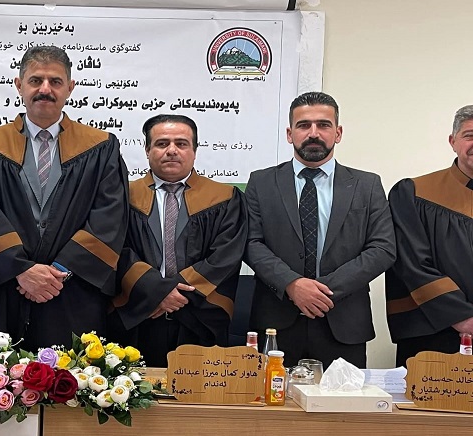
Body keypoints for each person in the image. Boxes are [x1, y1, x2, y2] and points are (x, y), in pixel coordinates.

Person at [0, 45, 128, 350]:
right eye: (36, 80)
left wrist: (59, 271)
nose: (45, 89)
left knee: (74, 374)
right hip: (5, 289)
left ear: (70, 88)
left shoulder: (102, 147)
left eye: (55, 81)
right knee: (0, 374)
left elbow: (110, 215)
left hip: (72, 290)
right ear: (19, 85)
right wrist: (20, 269)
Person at [244, 91, 395, 368]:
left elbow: (383, 248)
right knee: (272, 396)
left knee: (342, 398)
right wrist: (292, 284)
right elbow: (252, 244)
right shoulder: (261, 182)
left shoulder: (367, 185)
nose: (313, 133)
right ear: (290, 134)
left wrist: (322, 291)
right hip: (276, 323)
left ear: (338, 133)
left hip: (344, 321)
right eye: (304, 125)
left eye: (323, 125)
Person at [110, 115, 246, 367]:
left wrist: (174, 293)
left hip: (200, 316)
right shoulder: (122, 196)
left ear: (194, 151)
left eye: (181, 144)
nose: (172, 150)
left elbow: (225, 255)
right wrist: (156, 292)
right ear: (147, 150)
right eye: (162, 143)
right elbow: (115, 249)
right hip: (139, 313)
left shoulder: (225, 197)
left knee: (198, 388)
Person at [386, 105, 473, 366]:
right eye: (469, 135)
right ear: (452, 141)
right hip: (434, 334)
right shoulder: (414, 193)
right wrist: (461, 317)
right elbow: (411, 262)